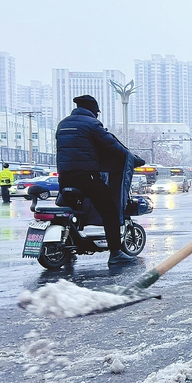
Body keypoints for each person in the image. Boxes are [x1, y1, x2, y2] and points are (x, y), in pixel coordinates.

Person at [55, 95, 143, 266]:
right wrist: (133, 159)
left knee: (75, 209)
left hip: (64, 178)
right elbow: (112, 145)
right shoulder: (92, 124)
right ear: (93, 110)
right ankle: (116, 253)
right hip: (86, 177)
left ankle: (71, 245)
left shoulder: (63, 124)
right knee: (109, 210)